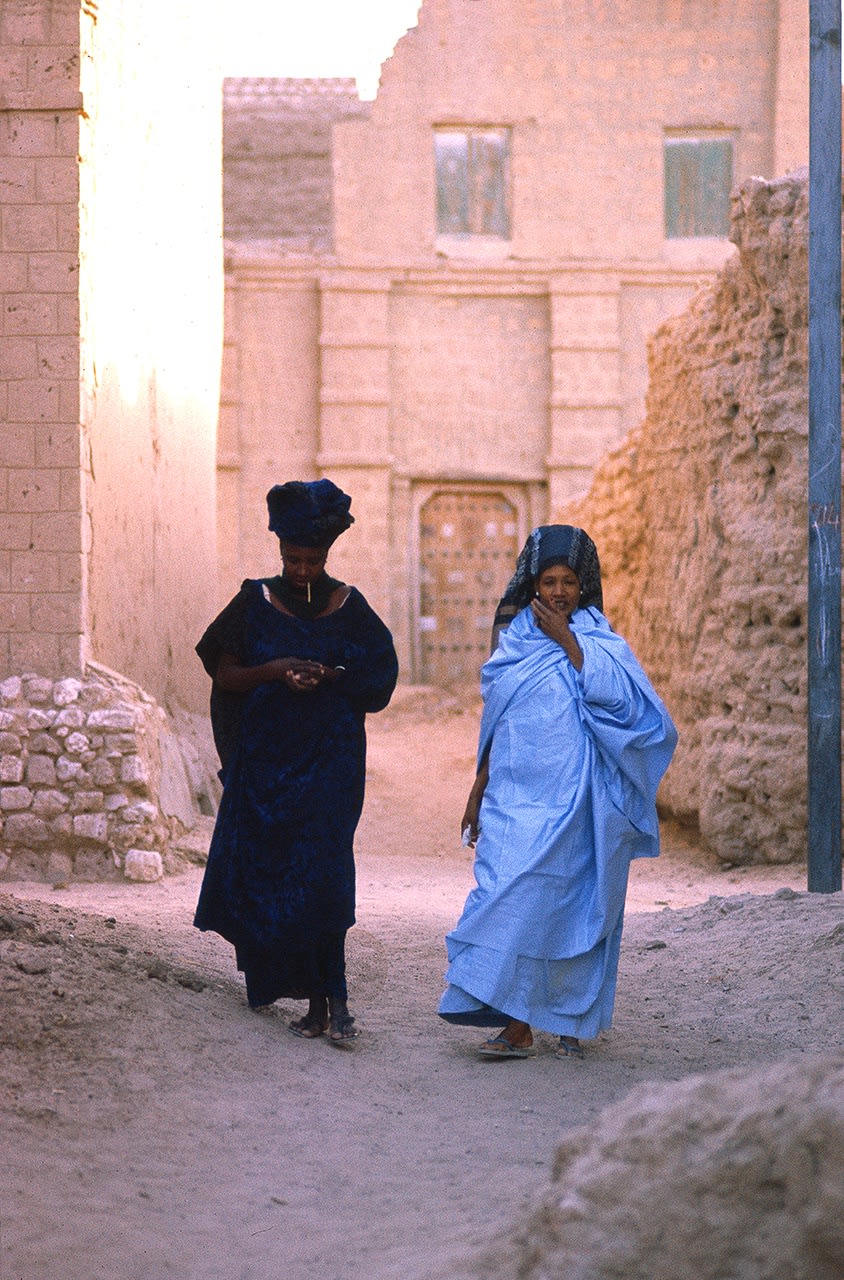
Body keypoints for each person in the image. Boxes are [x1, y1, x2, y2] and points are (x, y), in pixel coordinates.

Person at [438, 525, 677, 1060]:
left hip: (576, 800)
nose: (560, 592)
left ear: (584, 585)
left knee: (568, 907)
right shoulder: (515, 639)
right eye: (549, 580)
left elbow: (641, 716)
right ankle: (518, 1019)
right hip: (513, 799)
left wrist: (570, 644)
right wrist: (478, 789)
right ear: (533, 583)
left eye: (569, 581)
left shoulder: (598, 638)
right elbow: (496, 721)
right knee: (505, 892)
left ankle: (548, 1021)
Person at [194, 479, 398, 1045]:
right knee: (277, 872)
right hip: (265, 772)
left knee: (326, 870)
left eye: (311, 559)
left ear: (327, 554)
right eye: (293, 559)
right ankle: (310, 1002)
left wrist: (332, 676)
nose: (302, 569)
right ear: (280, 552)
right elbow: (224, 673)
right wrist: (276, 668)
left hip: (330, 767)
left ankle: (338, 997)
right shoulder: (253, 603)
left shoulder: (352, 608)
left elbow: (380, 681)